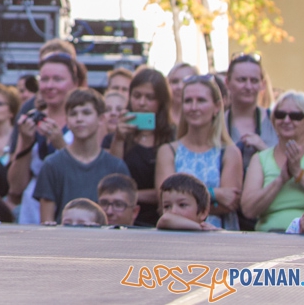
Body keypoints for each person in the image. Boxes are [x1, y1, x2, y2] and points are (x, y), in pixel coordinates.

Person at [157, 74, 242, 229]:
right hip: (176, 232)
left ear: (217, 106)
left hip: (217, 233)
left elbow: (229, 203)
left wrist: (184, 204)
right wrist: (216, 194)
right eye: (188, 101)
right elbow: (166, 199)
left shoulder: (229, 152)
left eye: (201, 100)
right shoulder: (168, 151)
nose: (194, 107)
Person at [34, 89, 130, 224]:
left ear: (101, 119)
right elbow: (46, 221)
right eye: (73, 114)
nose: (79, 119)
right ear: (67, 121)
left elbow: (123, 220)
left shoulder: (116, 166)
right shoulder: (52, 164)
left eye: (86, 113)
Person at [9, 52, 83, 223]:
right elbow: (15, 187)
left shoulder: (85, 121)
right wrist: (26, 143)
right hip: (33, 209)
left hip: (71, 207)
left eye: (58, 79)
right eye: (44, 79)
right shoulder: (32, 120)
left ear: (75, 83)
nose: (49, 86)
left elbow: (85, 175)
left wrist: (61, 145)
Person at [239, 90, 304, 232]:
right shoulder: (261, 158)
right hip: (268, 237)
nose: (286, 120)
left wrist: (299, 174)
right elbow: (248, 209)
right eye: (280, 115)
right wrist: (280, 180)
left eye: (295, 116)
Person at [107, 67, 173, 227]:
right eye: (137, 96)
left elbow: (168, 191)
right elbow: (112, 180)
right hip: (123, 220)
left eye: (150, 98)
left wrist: (131, 196)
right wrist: (119, 139)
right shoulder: (114, 137)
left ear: (161, 101)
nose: (142, 103)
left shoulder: (172, 137)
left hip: (160, 220)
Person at [226, 53, 278, 175]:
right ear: (227, 82)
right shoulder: (215, 123)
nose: (248, 86)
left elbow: (288, 168)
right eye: (242, 80)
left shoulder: (278, 122)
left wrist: (263, 148)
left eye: (254, 81)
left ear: (262, 84)